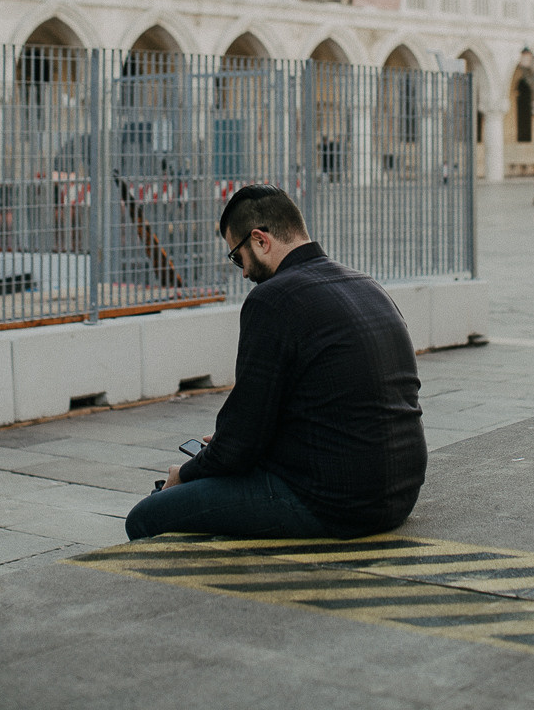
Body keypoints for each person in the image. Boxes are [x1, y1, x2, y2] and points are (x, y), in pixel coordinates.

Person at [126, 183, 427, 540]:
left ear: (260, 240)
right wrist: (229, 443)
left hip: (335, 504)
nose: (242, 273)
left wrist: (186, 474)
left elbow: (241, 442)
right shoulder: (366, 284)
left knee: (146, 516)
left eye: (237, 257)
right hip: (399, 493)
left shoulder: (272, 300)